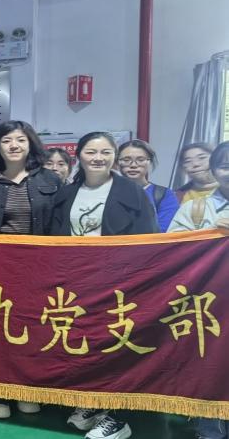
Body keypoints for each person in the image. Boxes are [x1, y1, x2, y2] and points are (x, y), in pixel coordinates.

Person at [51, 132, 158, 439]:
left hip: (119, 283)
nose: (98, 158)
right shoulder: (67, 194)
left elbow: (149, 241)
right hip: (76, 283)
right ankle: (92, 402)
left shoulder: (133, 192)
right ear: (79, 156)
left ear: (114, 157)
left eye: (106, 152)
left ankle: (118, 417)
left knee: (116, 348)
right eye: (91, 152)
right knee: (84, 346)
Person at [0, 120, 61, 419]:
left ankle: (27, 388)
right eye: (6, 140)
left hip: (38, 268)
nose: (14, 145)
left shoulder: (49, 179)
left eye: (20, 139)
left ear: (30, 143)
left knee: (33, 328)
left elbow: (60, 223)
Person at [168, 142, 229, 439]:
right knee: (209, 366)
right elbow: (171, 251)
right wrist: (208, 235)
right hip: (210, 305)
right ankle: (210, 429)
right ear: (214, 171)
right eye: (225, 166)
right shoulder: (195, 208)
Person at [117, 140, 179, 232]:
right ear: (117, 163)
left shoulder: (164, 195)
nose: (133, 165)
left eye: (140, 160)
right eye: (126, 160)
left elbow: (164, 231)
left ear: (150, 162)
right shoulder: (108, 192)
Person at [168, 142, 229, 232]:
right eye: (225, 167)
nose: (195, 164)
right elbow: (175, 240)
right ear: (213, 171)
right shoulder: (189, 206)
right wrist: (211, 232)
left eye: (202, 158)